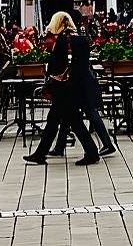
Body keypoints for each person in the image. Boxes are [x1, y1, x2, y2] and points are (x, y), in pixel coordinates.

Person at [24, 12, 101, 167]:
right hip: (78, 86)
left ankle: (92, 152)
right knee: (55, 120)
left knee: (74, 121)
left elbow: (56, 64)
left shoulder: (61, 41)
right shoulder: (82, 39)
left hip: (64, 88)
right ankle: (40, 153)